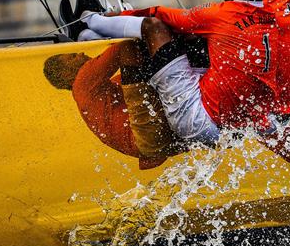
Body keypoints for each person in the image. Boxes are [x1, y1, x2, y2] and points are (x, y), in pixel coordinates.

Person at [79, 0, 281, 145]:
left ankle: (90, 20)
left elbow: (159, 14)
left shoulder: (221, 14)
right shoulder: (273, 19)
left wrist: (107, 18)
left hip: (195, 121)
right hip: (231, 128)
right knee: (194, 38)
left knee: (154, 28)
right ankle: (91, 35)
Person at [43, 40, 184, 170]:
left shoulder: (93, 95)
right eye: (73, 56)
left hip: (153, 149)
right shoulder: (82, 81)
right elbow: (123, 49)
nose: (81, 53)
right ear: (66, 74)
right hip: (146, 135)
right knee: (130, 47)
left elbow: (134, 70)